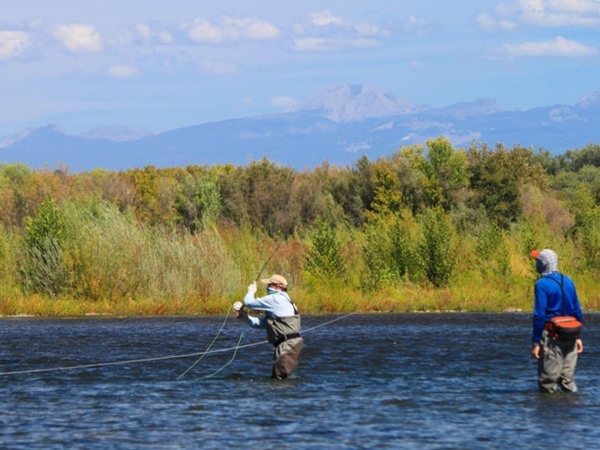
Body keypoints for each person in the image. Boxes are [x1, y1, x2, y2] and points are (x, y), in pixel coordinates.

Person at [530, 249, 583, 393]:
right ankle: (573, 413)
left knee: (548, 382)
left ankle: (548, 414)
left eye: (538, 261)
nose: (536, 264)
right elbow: (577, 311)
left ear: (543, 264)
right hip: (571, 334)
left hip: (552, 336)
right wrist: (578, 337)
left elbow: (539, 316)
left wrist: (536, 343)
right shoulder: (568, 281)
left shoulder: (541, 284)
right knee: (568, 381)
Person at [234, 274, 304, 379]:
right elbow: (261, 323)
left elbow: (249, 302)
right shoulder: (283, 301)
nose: (267, 287)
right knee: (279, 379)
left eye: (269, 285)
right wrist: (245, 316)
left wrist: (251, 291)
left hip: (288, 345)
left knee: (278, 380)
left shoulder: (276, 299)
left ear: (276, 286)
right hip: (288, 345)